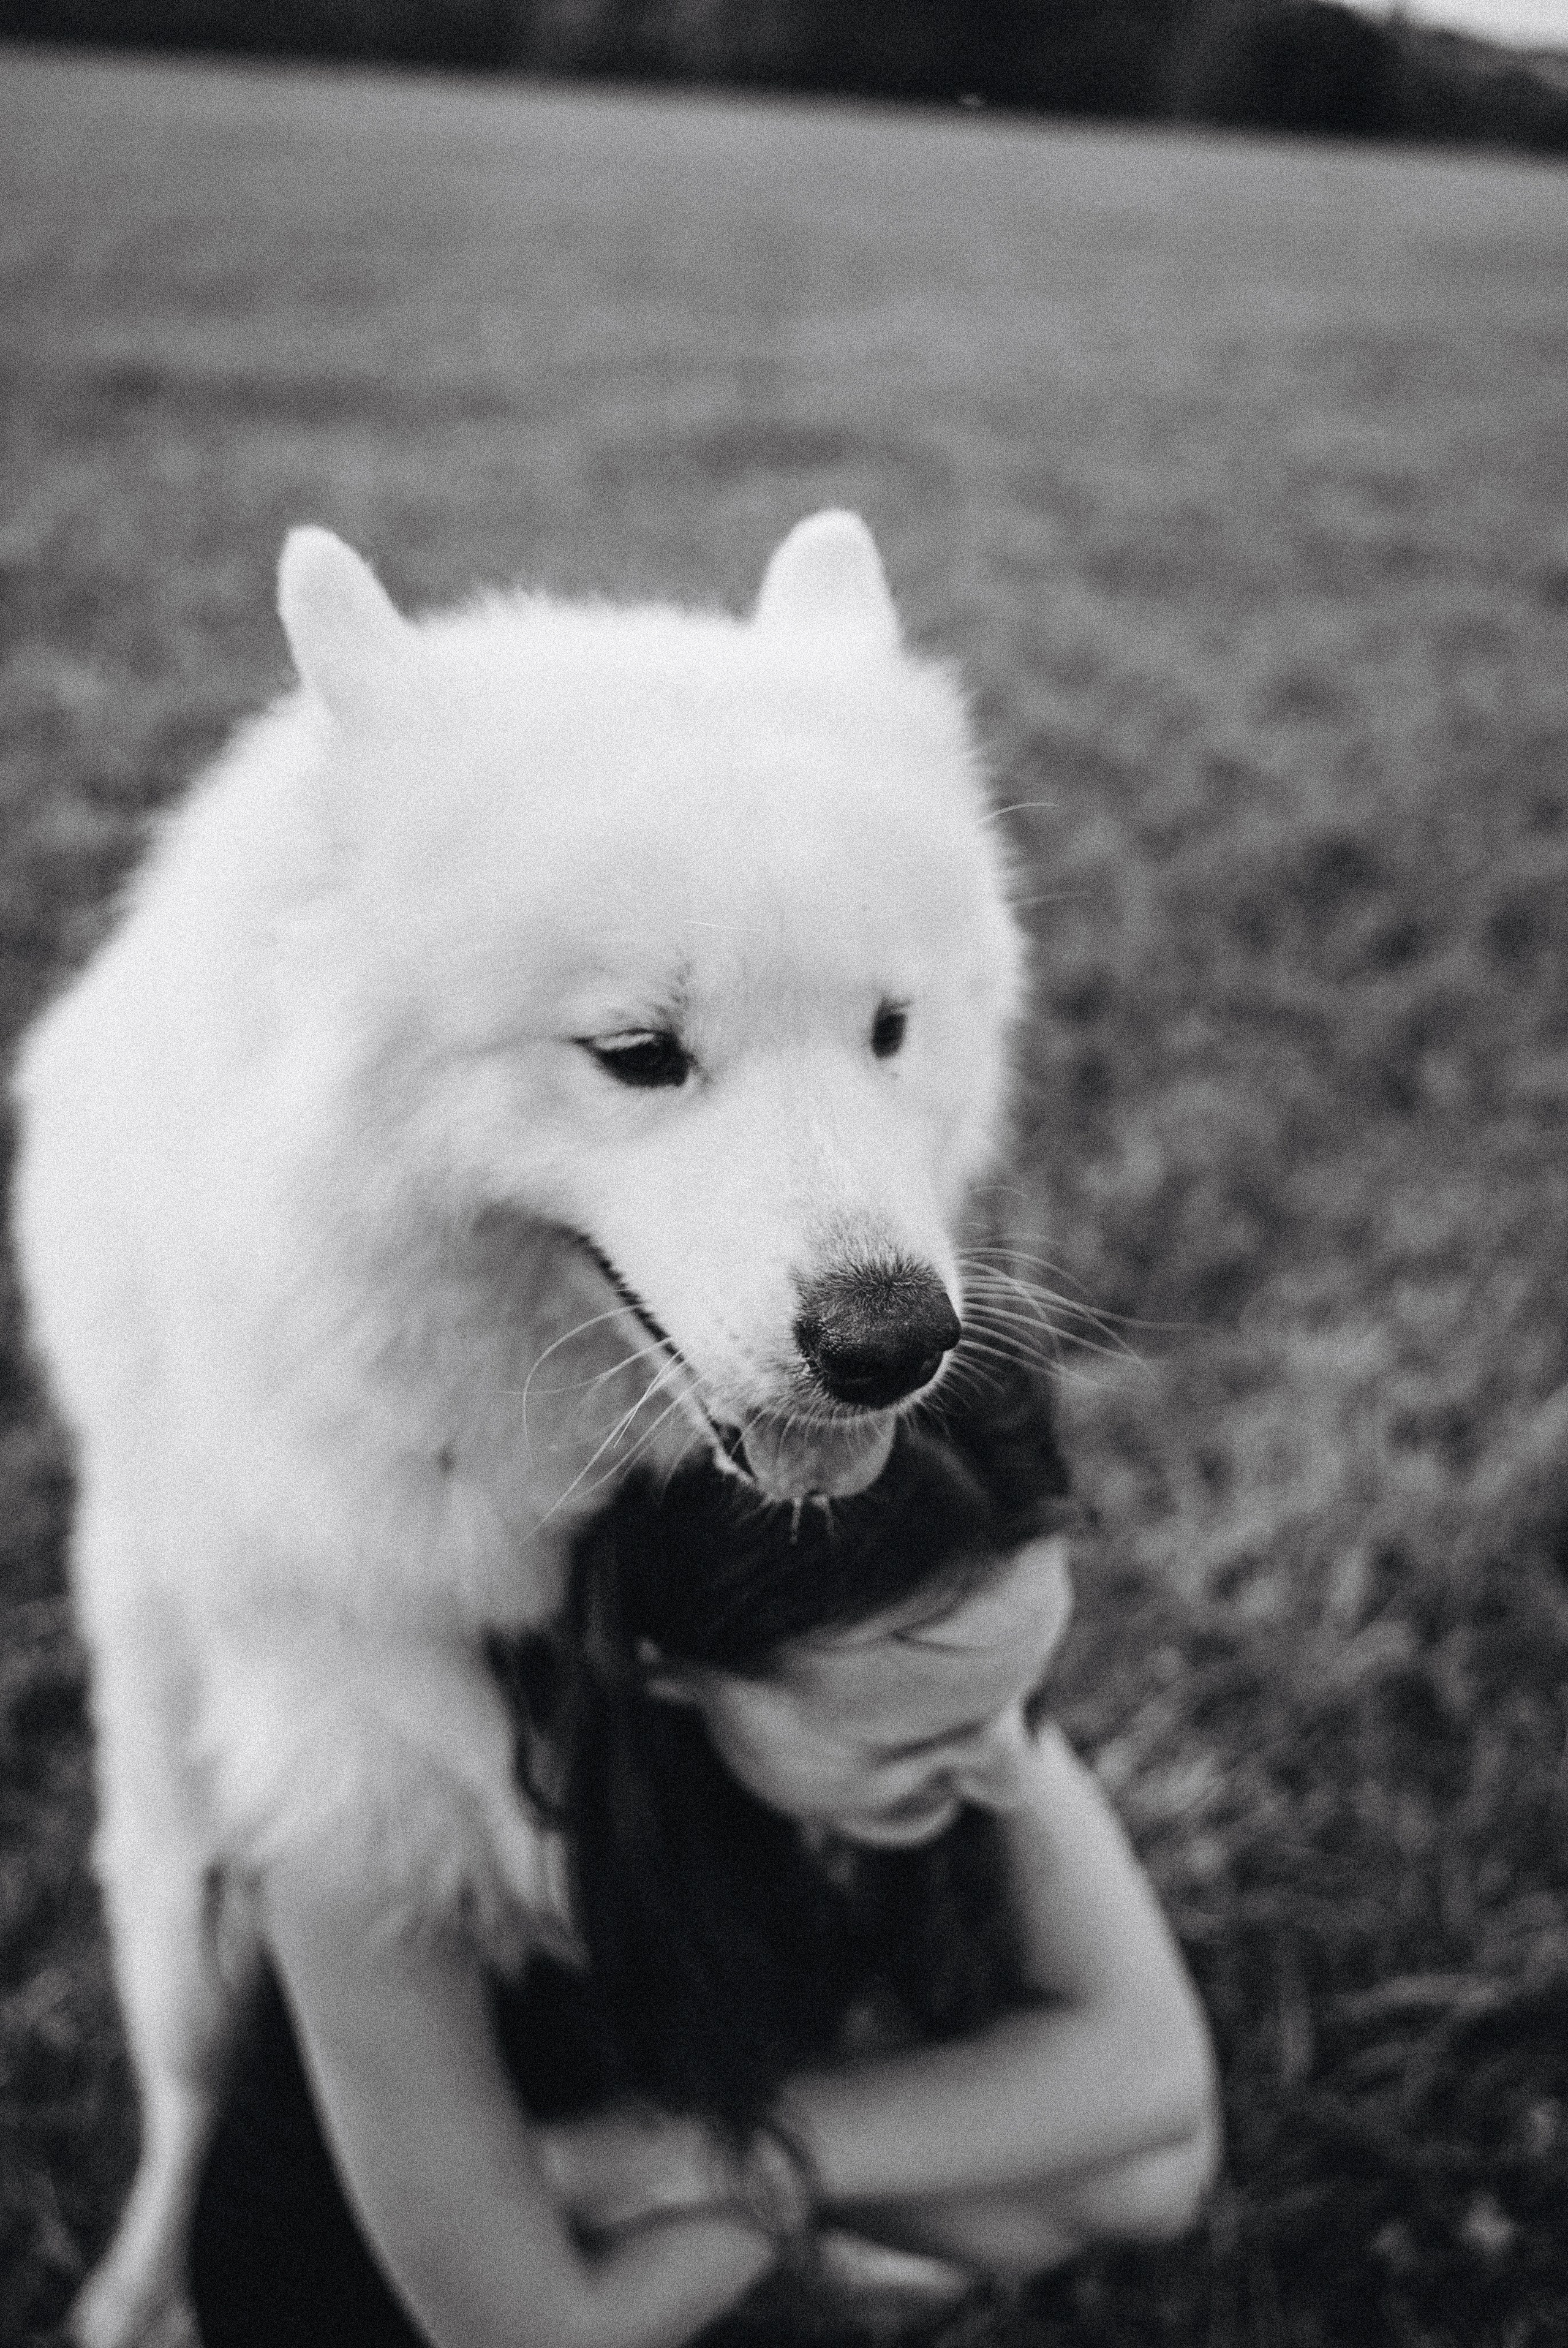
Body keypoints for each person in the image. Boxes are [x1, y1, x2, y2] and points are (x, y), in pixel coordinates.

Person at [189, 1367, 1219, 2348]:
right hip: (398, 2299)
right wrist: (787, 2171)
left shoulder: (938, 1644)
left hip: (627, 2153)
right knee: (1077, 2181)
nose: (1008, 1770)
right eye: (913, 1745)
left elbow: (1155, 2081)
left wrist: (689, 2159)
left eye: (1027, 1696)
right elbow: (538, 2336)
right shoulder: (364, 1826)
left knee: (1134, 2177)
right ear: (669, 1676)